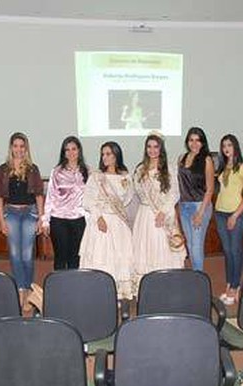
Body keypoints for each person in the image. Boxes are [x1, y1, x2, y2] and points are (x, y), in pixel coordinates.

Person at [79, 141, 134, 300]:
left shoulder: (125, 177)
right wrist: (99, 217)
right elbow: (88, 201)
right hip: (100, 222)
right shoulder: (96, 177)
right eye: (103, 154)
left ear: (116, 155)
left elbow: (127, 199)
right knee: (101, 258)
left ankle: (117, 295)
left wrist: (115, 212)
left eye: (108, 154)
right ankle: (99, 296)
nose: (105, 157)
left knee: (119, 257)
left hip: (118, 223)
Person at [0, 132, 44, 307]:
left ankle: (29, 288)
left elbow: (39, 194)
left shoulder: (33, 168)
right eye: (15, 146)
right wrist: (0, 220)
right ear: (11, 148)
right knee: (15, 254)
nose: (19, 149)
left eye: (22, 146)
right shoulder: (3, 169)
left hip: (30, 214)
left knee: (27, 254)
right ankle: (20, 289)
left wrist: (41, 219)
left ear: (26, 148)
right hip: (11, 215)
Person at [132, 132, 186, 290]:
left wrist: (163, 211)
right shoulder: (140, 169)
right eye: (149, 147)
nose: (152, 150)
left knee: (162, 247)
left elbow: (175, 193)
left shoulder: (169, 168)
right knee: (145, 248)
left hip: (164, 215)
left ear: (161, 149)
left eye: (156, 147)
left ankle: (166, 286)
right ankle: (148, 287)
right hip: (145, 215)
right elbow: (138, 192)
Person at [214, 134, 243, 305]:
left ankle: (235, 287)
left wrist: (235, 215)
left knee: (236, 251)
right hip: (220, 213)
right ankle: (230, 283)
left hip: (236, 214)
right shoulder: (222, 167)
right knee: (227, 251)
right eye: (224, 146)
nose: (226, 148)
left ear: (235, 147)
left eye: (229, 145)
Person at [42, 136, 88, 271]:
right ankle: (59, 290)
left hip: (79, 220)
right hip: (59, 220)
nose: (71, 152)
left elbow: (91, 199)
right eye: (67, 150)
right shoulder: (56, 172)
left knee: (76, 258)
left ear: (79, 150)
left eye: (74, 149)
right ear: (63, 152)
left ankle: (75, 289)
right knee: (61, 258)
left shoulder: (88, 172)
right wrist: (45, 221)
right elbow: (50, 197)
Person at [178, 127, 214, 271]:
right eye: (191, 140)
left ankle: (200, 280)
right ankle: (195, 276)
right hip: (184, 206)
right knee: (190, 244)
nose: (194, 143)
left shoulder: (207, 160)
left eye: (197, 140)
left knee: (196, 245)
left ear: (202, 142)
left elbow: (210, 189)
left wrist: (200, 213)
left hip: (200, 206)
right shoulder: (181, 158)